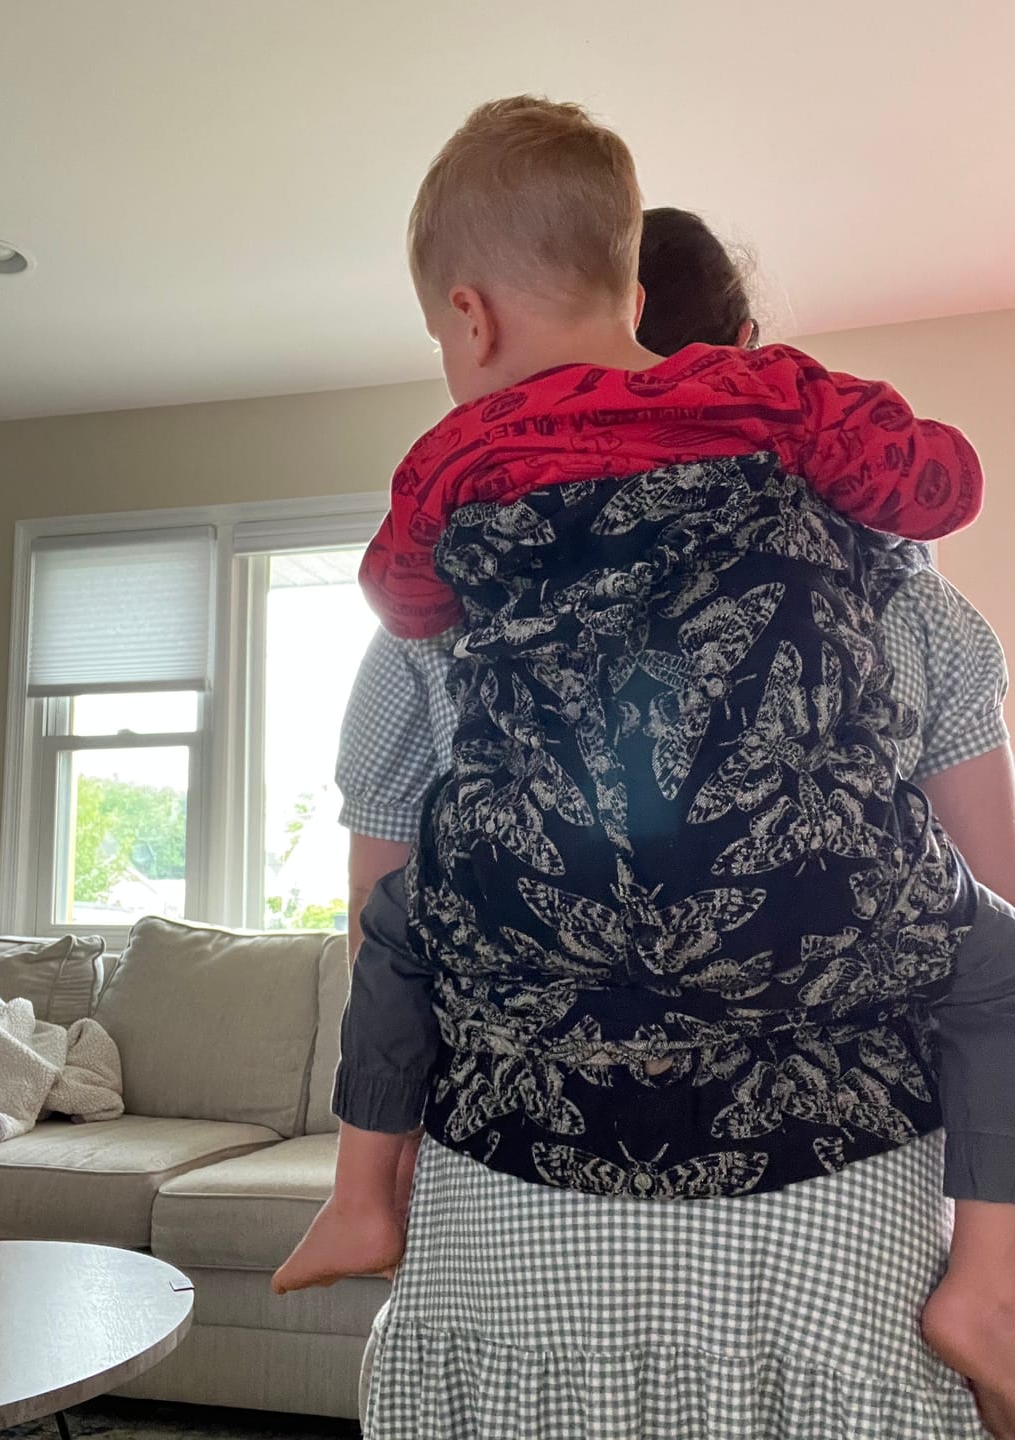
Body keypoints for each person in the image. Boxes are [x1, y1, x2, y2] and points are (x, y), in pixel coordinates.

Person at [279, 100, 1012, 1436]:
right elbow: (938, 491)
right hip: (841, 1188)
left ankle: (357, 1195)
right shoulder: (889, 571)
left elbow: (382, 888)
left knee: (401, 924)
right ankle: (995, 1285)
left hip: (512, 1180)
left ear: (471, 321)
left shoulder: (450, 522)